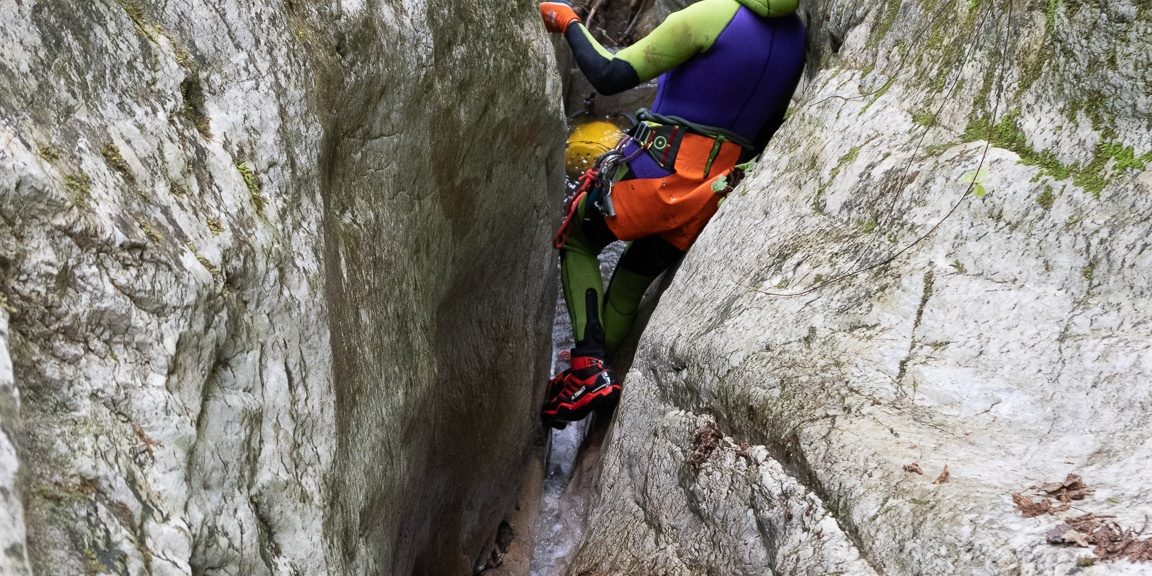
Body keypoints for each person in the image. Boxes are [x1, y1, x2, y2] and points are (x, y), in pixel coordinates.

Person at [538, 0, 807, 428]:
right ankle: (592, 385)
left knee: (578, 239)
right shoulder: (797, 38)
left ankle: (587, 366)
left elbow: (609, 74)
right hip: (709, 194)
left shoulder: (708, 17)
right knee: (630, 282)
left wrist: (567, 21)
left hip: (654, 169)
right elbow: (769, 125)